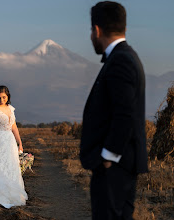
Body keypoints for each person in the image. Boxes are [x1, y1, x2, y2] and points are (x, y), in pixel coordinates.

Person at [79, 1, 148, 219]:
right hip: (117, 166)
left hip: (114, 168)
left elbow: (124, 113)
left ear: (97, 30)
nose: (91, 36)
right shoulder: (127, 57)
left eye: (91, 31)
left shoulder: (120, 61)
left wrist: (108, 156)